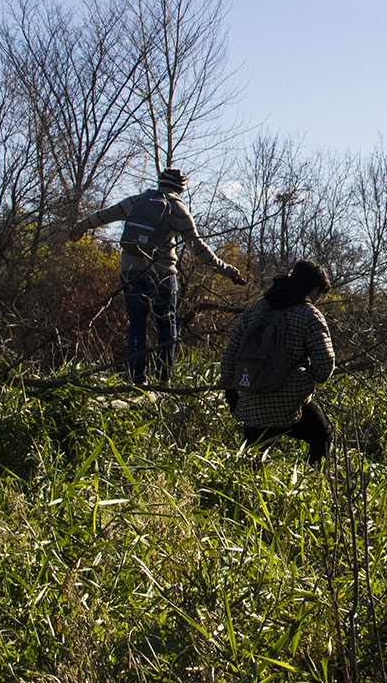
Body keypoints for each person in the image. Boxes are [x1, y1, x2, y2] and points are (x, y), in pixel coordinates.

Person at [71, 168, 245, 386]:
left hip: (130, 270)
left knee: (136, 325)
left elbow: (105, 215)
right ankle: (163, 381)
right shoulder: (178, 210)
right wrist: (227, 270)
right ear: (180, 188)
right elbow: (199, 250)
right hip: (162, 274)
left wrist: (80, 227)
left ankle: (137, 380)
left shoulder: (136, 201)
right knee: (165, 324)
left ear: (160, 182)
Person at [221, 259, 335, 465]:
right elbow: (324, 368)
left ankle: (246, 492)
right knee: (323, 436)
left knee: (252, 457)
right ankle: (314, 487)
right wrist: (305, 379)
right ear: (315, 289)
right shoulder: (310, 315)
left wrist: (232, 392)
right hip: (291, 405)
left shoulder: (256, 309)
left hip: (251, 401)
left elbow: (230, 355)